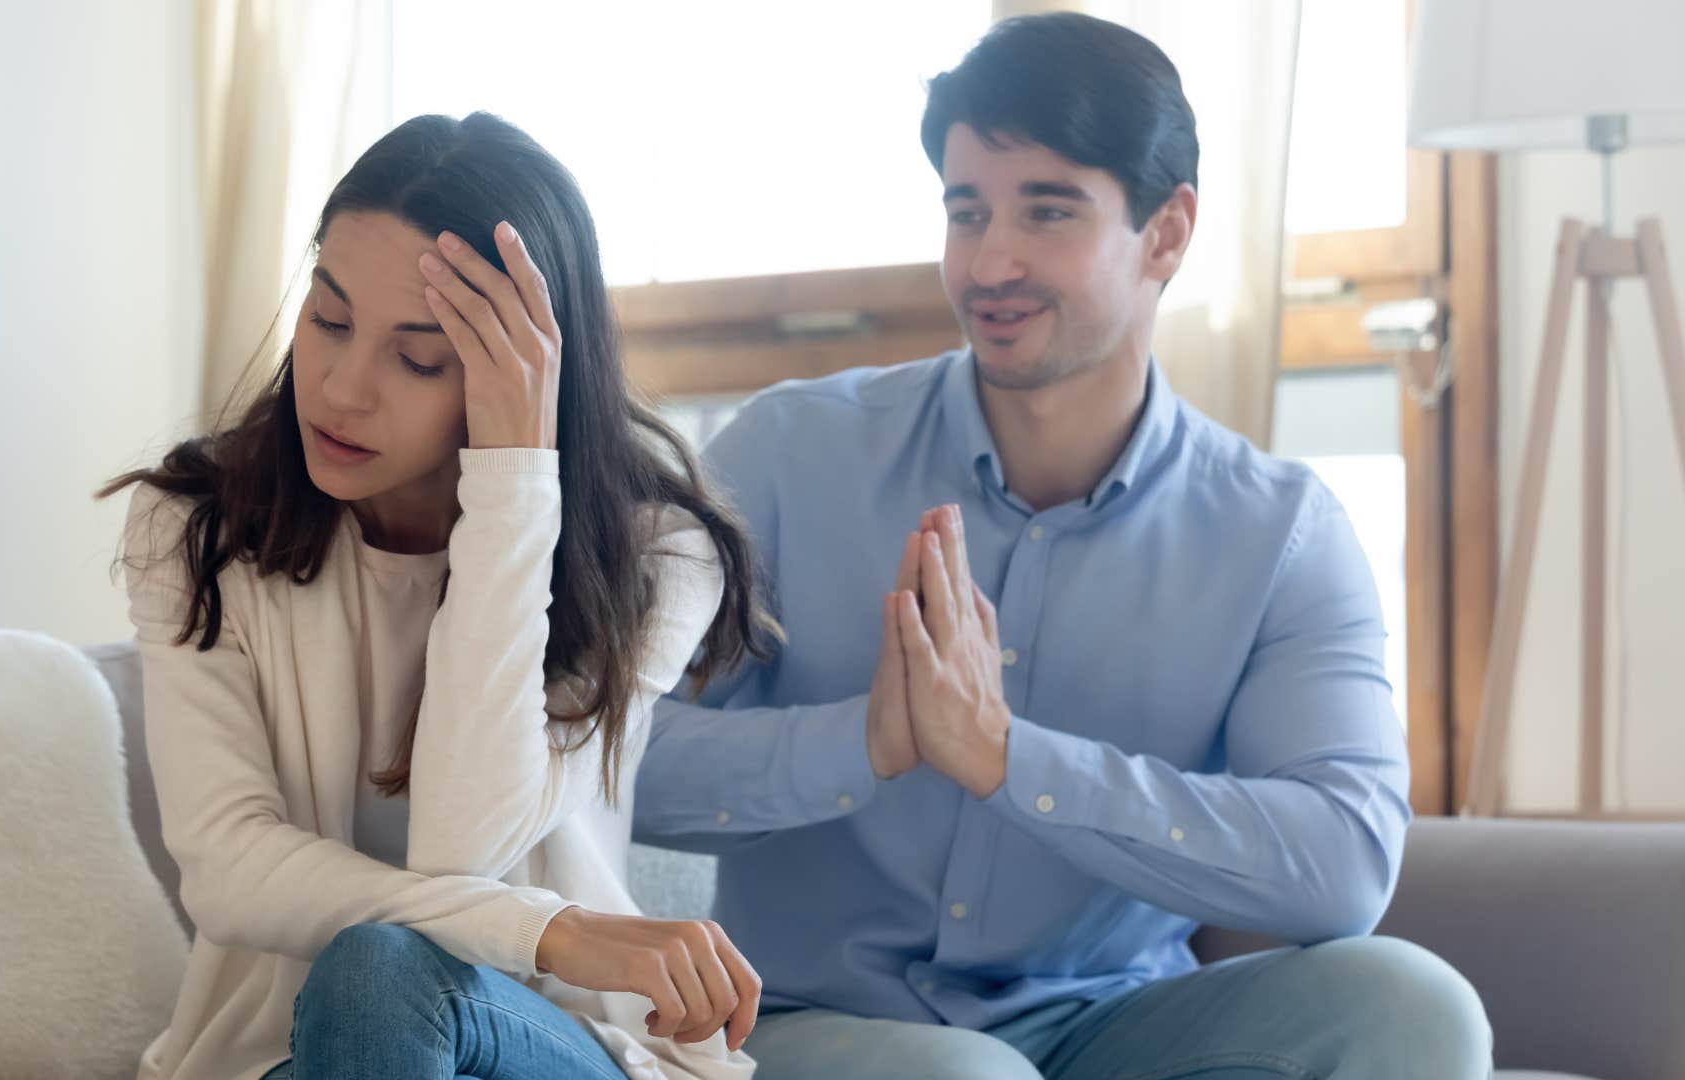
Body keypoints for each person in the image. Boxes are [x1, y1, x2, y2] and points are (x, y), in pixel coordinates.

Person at [635, 14, 1493, 1079]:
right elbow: (603, 761)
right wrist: (862, 745)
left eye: (1048, 211)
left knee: (1418, 1009)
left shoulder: (1279, 533)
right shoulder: (787, 452)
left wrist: (1009, 761)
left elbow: (1342, 863)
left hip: (1116, 1024)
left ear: (1167, 234)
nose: (992, 261)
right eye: (968, 211)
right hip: (814, 1020)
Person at [104, 111, 769, 1080]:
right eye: (328, 319)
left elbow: (467, 841)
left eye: (419, 358)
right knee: (371, 986)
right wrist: (550, 930)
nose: (339, 388)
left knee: (384, 971)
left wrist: (510, 479)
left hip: (563, 1047)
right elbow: (229, 866)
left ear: (532, 375)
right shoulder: (198, 530)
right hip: (287, 1060)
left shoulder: (657, 554)